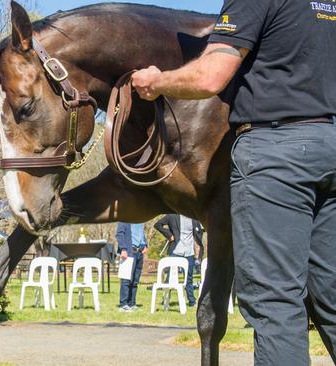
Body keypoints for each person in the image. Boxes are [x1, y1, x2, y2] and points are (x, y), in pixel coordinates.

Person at [132, 1, 336, 364]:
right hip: (328, 147)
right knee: (331, 297)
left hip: (276, 158)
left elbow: (210, 76)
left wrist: (157, 81)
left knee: (275, 302)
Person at [154, 214, 203, 307]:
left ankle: (192, 301)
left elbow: (198, 235)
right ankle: (166, 301)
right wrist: (169, 235)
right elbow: (157, 225)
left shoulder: (194, 218)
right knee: (170, 278)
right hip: (176, 251)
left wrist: (197, 254)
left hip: (189, 253)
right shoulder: (172, 216)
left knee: (188, 278)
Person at [115, 222, 148, 311]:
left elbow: (141, 233)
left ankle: (132, 303)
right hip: (128, 252)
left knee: (135, 281)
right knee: (126, 280)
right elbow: (119, 234)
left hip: (139, 252)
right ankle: (123, 304)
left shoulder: (140, 219)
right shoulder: (124, 218)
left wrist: (145, 244)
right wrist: (123, 249)